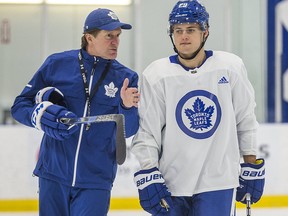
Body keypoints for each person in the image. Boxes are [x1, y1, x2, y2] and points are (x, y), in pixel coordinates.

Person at [131, 0, 265, 215]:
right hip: (171, 183)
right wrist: (149, 171)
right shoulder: (156, 75)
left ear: (205, 32)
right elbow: (148, 130)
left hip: (218, 183)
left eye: (191, 30)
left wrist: (250, 162)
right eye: (178, 30)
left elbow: (245, 118)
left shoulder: (230, 67)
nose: (184, 36)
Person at [11, 8, 139, 216]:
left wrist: (126, 107)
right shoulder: (56, 64)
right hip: (53, 173)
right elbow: (20, 107)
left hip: (96, 180)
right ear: (89, 37)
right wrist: (41, 116)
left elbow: (129, 131)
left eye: (118, 36)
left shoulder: (126, 78)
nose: (115, 42)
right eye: (109, 36)